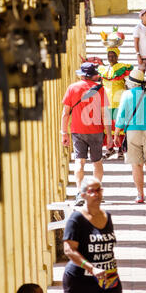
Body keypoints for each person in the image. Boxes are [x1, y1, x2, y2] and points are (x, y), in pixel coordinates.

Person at [62, 177, 124, 293]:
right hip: (81, 283)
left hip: (109, 282)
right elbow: (69, 250)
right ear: (83, 195)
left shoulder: (107, 216)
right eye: (91, 191)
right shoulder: (76, 219)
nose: (96, 194)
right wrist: (91, 268)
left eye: (99, 190)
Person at [61, 62, 113, 205]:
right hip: (96, 131)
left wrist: (63, 133)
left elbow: (65, 113)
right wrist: (109, 135)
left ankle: (80, 193)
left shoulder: (72, 88)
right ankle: (95, 193)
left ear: (82, 75)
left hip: (77, 130)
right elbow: (105, 114)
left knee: (80, 161)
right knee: (97, 162)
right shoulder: (99, 90)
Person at [114, 69, 146, 203]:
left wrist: (117, 134)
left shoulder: (126, 95)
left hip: (133, 132)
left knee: (136, 165)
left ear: (131, 83)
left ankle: (140, 195)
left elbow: (121, 116)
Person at [98, 47, 133, 160]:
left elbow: (129, 83)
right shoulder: (103, 70)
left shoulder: (122, 68)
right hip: (106, 102)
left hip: (120, 102)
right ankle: (110, 148)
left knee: (119, 125)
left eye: (113, 56)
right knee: (107, 126)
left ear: (117, 57)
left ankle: (120, 149)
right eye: (109, 56)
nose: (111, 58)